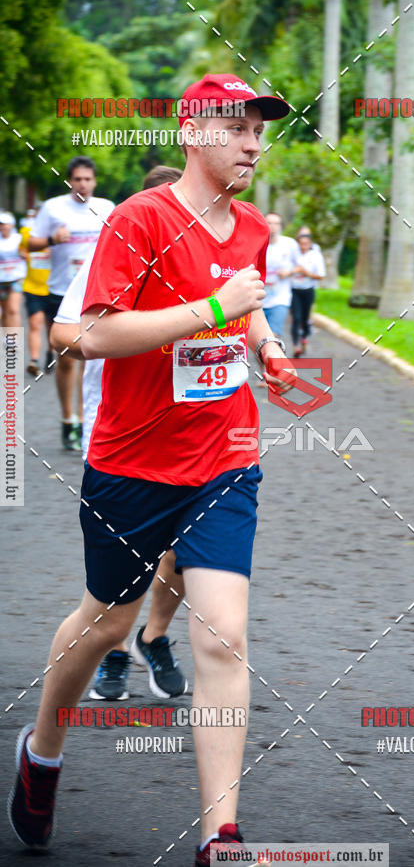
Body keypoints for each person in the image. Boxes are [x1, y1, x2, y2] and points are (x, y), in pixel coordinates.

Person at [8, 73, 296, 865]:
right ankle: (43, 749)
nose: (252, 141)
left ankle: (220, 836)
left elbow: (247, 298)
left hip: (225, 454)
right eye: (236, 127)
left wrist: (263, 342)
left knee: (224, 636)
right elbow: (85, 336)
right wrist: (212, 312)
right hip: (132, 462)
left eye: (259, 129)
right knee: (107, 625)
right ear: (195, 133)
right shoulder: (140, 219)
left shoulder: (252, 229)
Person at [51, 165, 188, 702]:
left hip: (191, 440)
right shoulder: (116, 248)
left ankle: (153, 637)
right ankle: (112, 650)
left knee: (185, 554)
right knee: (125, 568)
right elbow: (66, 331)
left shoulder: (202, 261)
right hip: (121, 440)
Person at [28, 156, 114, 450]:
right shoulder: (53, 208)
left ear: (95, 181)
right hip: (60, 291)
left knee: (88, 356)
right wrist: (53, 239)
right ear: (69, 181)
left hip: (94, 293)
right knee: (66, 359)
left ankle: (85, 421)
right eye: (77, 179)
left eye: (88, 179)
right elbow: (31, 244)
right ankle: (69, 420)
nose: (83, 184)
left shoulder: (106, 208)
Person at [20, 207, 53, 377]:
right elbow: (21, 248)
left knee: (51, 328)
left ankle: (50, 352)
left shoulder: (58, 232)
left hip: (53, 287)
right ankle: (33, 361)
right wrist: (26, 254)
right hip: (32, 286)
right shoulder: (27, 232)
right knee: (35, 323)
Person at [262, 212, 299, 339]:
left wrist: (289, 272)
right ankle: (265, 359)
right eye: (269, 223)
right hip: (258, 300)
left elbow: (301, 266)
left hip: (280, 299)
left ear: (280, 226)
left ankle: (271, 358)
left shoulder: (289, 244)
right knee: (260, 340)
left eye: (276, 223)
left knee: (273, 336)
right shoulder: (256, 243)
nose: (273, 226)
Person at [290, 228, 325, 357]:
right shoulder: (293, 254)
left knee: (305, 319)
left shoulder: (315, 255)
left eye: (306, 244)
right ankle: (295, 346)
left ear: (310, 244)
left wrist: (306, 273)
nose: (303, 246)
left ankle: (304, 338)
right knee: (296, 318)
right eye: (301, 244)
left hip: (308, 290)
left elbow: (320, 276)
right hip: (294, 290)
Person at [0, 212, 27, 328]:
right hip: (1, 280)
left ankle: (15, 344)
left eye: (5, 224)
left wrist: (24, 254)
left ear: (11, 225)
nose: (3, 227)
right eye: (1, 225)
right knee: (4, 312)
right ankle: (6, 342)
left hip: (16, 278)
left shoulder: (19, 239)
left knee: (13, 310)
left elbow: (29, 254)